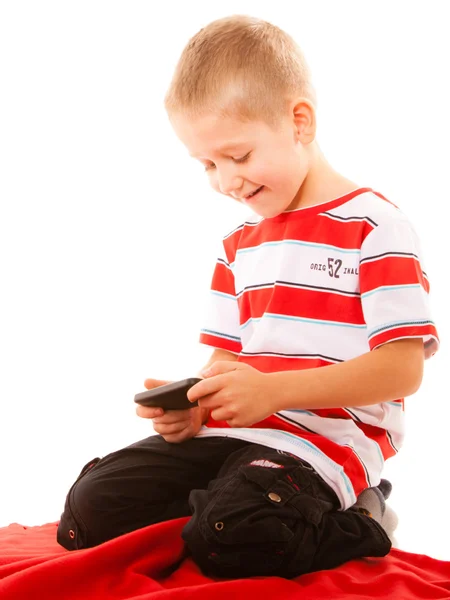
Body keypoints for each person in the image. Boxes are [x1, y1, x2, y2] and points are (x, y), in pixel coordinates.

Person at [57, 15, 439, 578]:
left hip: (322, 445)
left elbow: (403, 370)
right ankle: (230, 504)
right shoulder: (238, 245)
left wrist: (274, 392)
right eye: (208, 165)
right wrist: (196, 407)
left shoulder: (374, 226)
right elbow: (226, 359)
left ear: (299, 122)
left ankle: (365, 515)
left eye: (238, 157)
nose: (225, 181)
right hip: (238, 435)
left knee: (232, 538)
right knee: (87, 511)